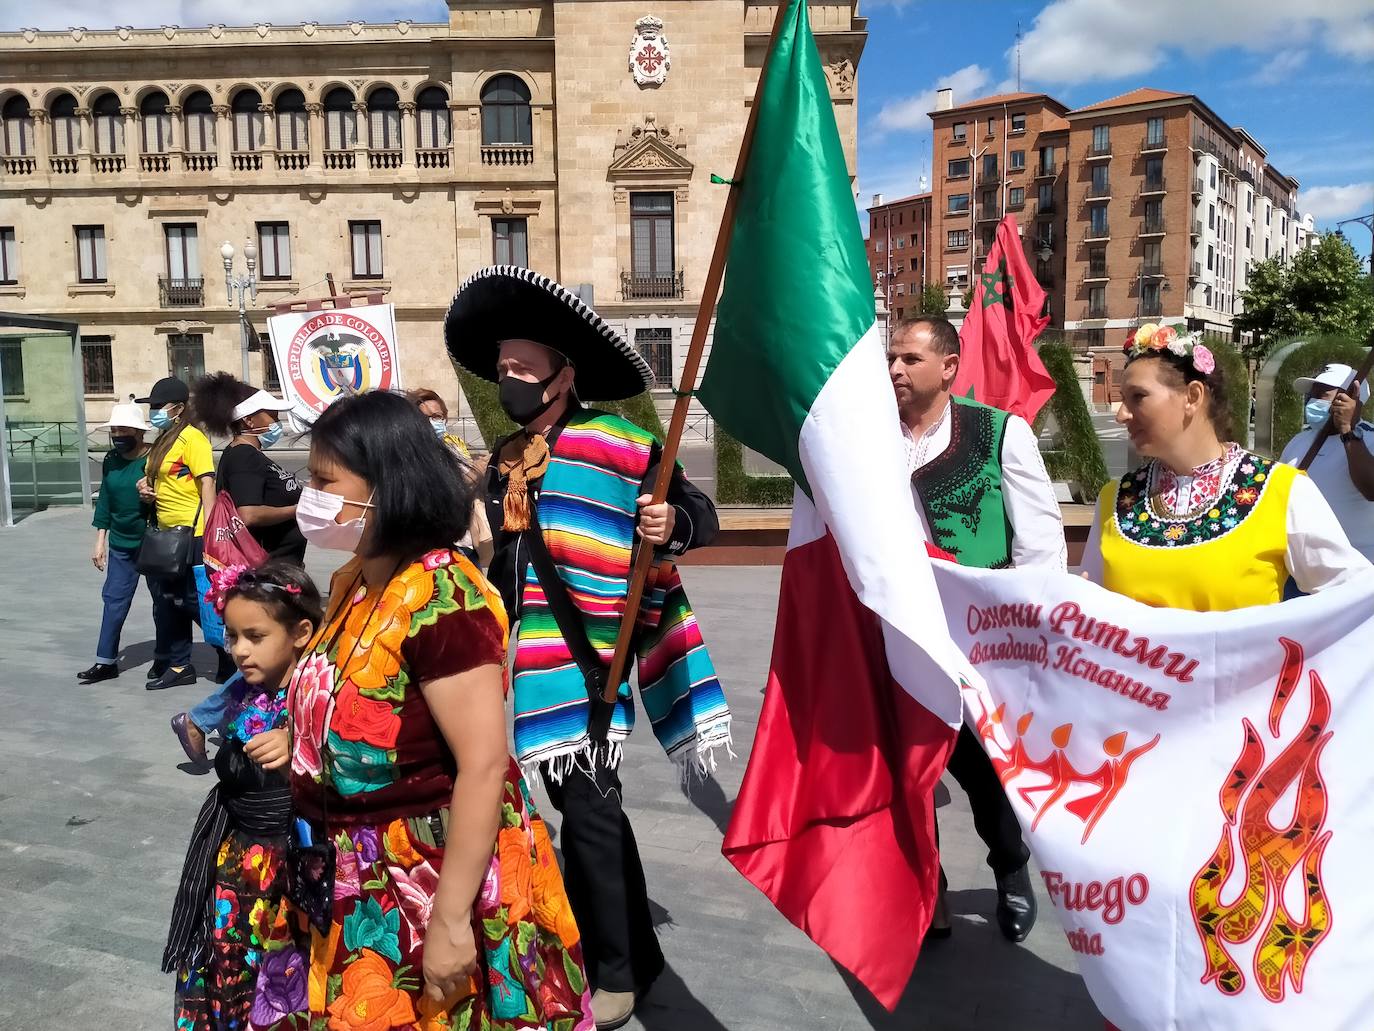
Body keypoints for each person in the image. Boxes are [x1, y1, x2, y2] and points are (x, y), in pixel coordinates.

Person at [445, 265, 731, 1029]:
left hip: (592, 664)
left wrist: (672, 524)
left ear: (563, 376)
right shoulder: (503, 461)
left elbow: (699, 512)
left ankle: (614, 972)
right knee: (588, 808)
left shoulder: (617, 441)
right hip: (525, 666)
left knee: (590, 815)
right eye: (502, 368)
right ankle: (636, 953)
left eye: (522, 367)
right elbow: (498, 565)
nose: (508, 378)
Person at [285, 389, 592, 1029]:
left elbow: (483, 765)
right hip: (353, 874)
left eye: (324, 482)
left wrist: (451, 922)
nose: (309, 498)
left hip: (429, 877)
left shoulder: (445, 595)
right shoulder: (355, 580)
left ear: (389, 486)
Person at [888, 314, 1063, 943]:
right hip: (896, 631)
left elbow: (1040, 545)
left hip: (976, 640)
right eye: (893, 358)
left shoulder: (1000, 433)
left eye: (910, 359)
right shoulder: (874, 439)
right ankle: (924, 889)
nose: (896, 370)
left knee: (981, 768)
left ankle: (1010, 866)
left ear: (950, 366)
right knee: (909, 770)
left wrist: (1023, 637)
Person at [1083, 324, 1370, 603]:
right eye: (1123, 399)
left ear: (1192, 397)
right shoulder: (1115, 500)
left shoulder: (1282, 490)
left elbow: (1358, 599)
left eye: (1138, 397)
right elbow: (1090, 615)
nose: (1121, 415)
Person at [163, 560, 322, 1030]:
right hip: (235, 867)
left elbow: (358, 750)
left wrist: (300, 738)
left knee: (279, 988)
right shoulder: (247, 691)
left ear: (301, 632)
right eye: (233, 637)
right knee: (229, 974)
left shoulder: (318, 694)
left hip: (289, 877)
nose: (240, 651)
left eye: (255, 636)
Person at [135, 376, 232, 690]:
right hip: (165, 532)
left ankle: (228, 651)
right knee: (169, 600)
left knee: (192, 600)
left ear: (177, 408)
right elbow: (163, 479)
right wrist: (146, 488)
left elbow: (207, 483)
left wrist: (210, 531)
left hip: (192, 533)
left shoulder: (193, 438)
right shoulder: (165, 437)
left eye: (157, 406)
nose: (153, 412)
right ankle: (180, 665)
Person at [192, 372, 305, 564]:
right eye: (272, 415)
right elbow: (249, 514)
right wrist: (297, 509)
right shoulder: (243, 456)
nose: (277, 422)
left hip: (280, 565)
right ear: (249, 421)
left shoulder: (248, 454)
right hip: (265, 567)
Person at [79, 402, 155, 684]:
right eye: (114, 430)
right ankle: (106, 661)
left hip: (152, 543)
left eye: (123, 429)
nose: (118, 434)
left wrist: (152, 494)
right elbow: (106, 502)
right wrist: (100, 540)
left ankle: (173, 659)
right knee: (113, 600)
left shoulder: (154, 458)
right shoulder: (111, 459)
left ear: (138, 431)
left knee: (166, 602)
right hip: (121, 545)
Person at [1279, 363, 1374, 562]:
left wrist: (1348, 430)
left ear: (1352, 399)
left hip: (1359, 567)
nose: (1313, 401)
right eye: (1312, 394)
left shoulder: (1370, 438)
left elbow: (1371, 488)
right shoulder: (1299, 441)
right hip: (1301, 567)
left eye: (1323, 394)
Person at [409, 386, 471, 456]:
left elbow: (467, 462)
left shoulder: (455, 442)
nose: (430, 422)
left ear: (444, 417)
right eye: (424, 418)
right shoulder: (409, 450)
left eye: (436, 416)